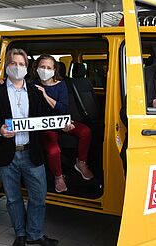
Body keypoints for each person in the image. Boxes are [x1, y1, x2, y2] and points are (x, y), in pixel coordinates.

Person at [0, 49, 58, 246]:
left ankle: (34, 234)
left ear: (26, 67)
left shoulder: (34, 91)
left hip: (31, 152)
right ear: (7, 66)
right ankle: (21, 235)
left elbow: (44, 118)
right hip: (7, 154)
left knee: (39, 197)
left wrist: (62, 123)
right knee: (13, 199)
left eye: (21, 64)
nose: (17, 67)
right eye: (14, 63)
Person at [31, 54, 94, 193]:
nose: (45, 70)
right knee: (54, 150)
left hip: (61, 121)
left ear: (54, 70)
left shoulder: (61, 85)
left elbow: (63, 108)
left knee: (85, 131)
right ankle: (59, 177)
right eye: (42, 67)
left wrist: (46, 96)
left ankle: (81, 163)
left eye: (48, 67)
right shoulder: (31, 84)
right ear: (36, 68)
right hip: (44, 125)